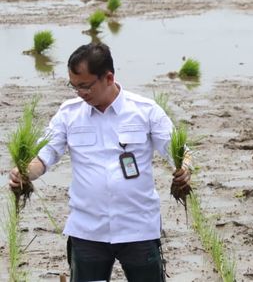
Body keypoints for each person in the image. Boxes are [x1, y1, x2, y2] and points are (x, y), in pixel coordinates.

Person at [8, 43, 192, 282]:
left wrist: (184, 170)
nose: (80, 93)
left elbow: (181, 153)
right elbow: (44, 156)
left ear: (108, 77)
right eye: (74, 87)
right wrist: (24, 174)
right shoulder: (69, 113)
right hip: (87, 230)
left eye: (85, 86)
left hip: (138, 227)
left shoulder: (145, 111)